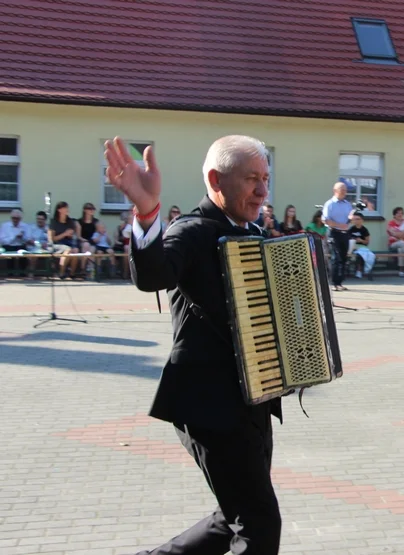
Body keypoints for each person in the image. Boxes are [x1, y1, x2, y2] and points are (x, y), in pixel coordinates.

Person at [104, 134, 283, 555]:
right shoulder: (192, 230)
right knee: (258, 523)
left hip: (252, 401)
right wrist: (148, 213)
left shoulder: (251, 232)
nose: (262, 190)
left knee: (233, 516)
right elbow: (152, 276)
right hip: (208, 404)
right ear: (216, 180)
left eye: (266, 179)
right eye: (251, 179)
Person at [322, 182, 353, 291]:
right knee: (336, 257)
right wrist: (339, 225)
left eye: (345, 190)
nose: (345, 192)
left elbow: (349, 217)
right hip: (334, 232)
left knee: (344, 258)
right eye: (342, 190)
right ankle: (334, 283)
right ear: (335, 191)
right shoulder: (329, 204)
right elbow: (325, 220)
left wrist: (351, 217)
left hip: (345, 234)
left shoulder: (347, 204)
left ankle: (340, 282)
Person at [48, 201, 81, 279]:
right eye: (65, 208)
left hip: (68, 242)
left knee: (75, 250)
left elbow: (71, 235)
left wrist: (70, 234)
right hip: (56, 244)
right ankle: (61, 273)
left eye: (67, 208)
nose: (67, 209)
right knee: (68, 250)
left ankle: (72, 273)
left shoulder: (70, 221)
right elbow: (53, 239)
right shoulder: (54, 222)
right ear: (59, 210)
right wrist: (65, 234)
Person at [0, 209, 30, 276]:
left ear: (20, 219)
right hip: (9, 246)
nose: (15, 220)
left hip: (21, 245)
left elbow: (28, 239)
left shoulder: (25, 226)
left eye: (17, 218)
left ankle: (23, 274)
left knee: (24, 254)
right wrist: (14, 237)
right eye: (14, 218)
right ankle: (10, 274)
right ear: (11, 218)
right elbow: (2, 241)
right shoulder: (5, 226)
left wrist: (22, 237)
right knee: (10, 257)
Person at [346, 211, 374, 279]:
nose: (356, 221)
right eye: (354, 219)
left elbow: (367, 242)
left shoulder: (364, 230)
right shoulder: (351, 229)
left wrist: (361, 240)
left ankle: (359, 270)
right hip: (351, 247)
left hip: (361, 247)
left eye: (357, 219)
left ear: (362, 220)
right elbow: (347, 238)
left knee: (361, 254)